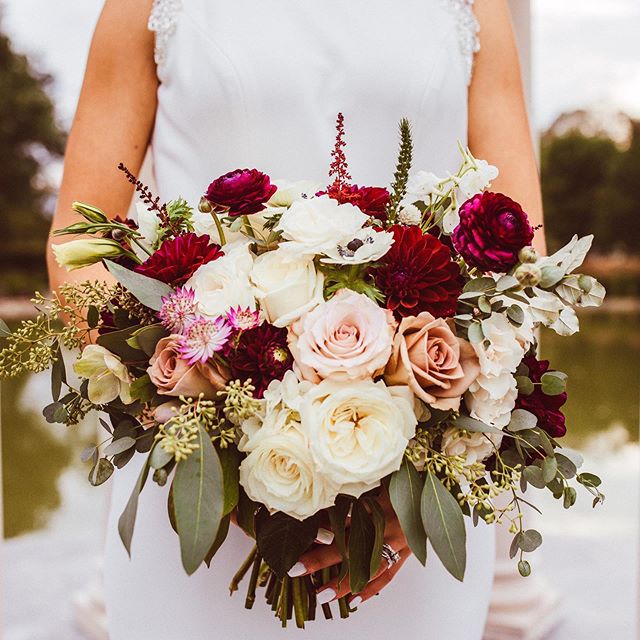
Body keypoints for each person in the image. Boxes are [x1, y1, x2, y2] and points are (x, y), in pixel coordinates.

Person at [47, 1, 546, 638]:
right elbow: (76, 243)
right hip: (194, 485)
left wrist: (420, 467)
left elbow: (523, 248)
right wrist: (198, 428)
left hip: (414, 500)